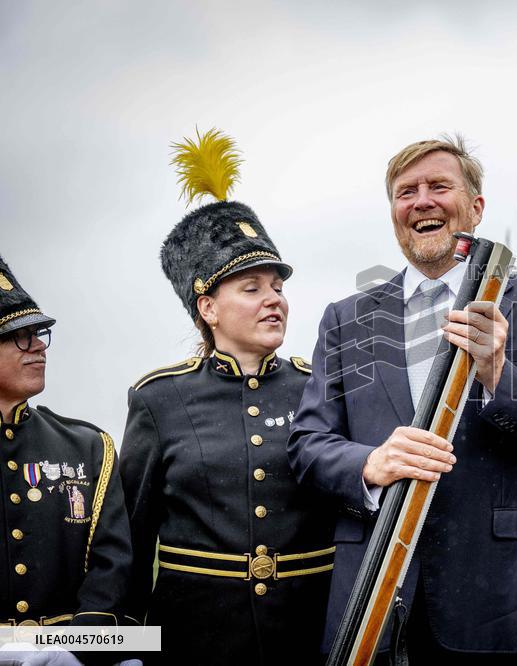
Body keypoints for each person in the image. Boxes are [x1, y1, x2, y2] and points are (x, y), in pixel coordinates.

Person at [288, 135, 517, 664]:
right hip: (372, 600)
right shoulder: (346, 319)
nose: (422, 201)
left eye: (439, 186)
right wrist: (370, 463)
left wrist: (499, 373)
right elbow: (307, 445)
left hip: (496, 602)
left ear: (476, 207)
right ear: (393, 214)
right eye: (405, 192)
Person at [119, 129, 333, 665]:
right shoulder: (159, 399)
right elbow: (131, 541)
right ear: (208, 308)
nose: (273, 300)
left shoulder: (320, 386)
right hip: (193, 641)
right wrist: (121, 647)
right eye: (252, 288)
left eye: (278, 287)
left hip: (309, 634)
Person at [0, 254, 133, 663]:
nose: (39, 346)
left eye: (38, 333)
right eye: (19, 336)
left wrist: (77, 653)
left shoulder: (88, 447)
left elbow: (111, 566)